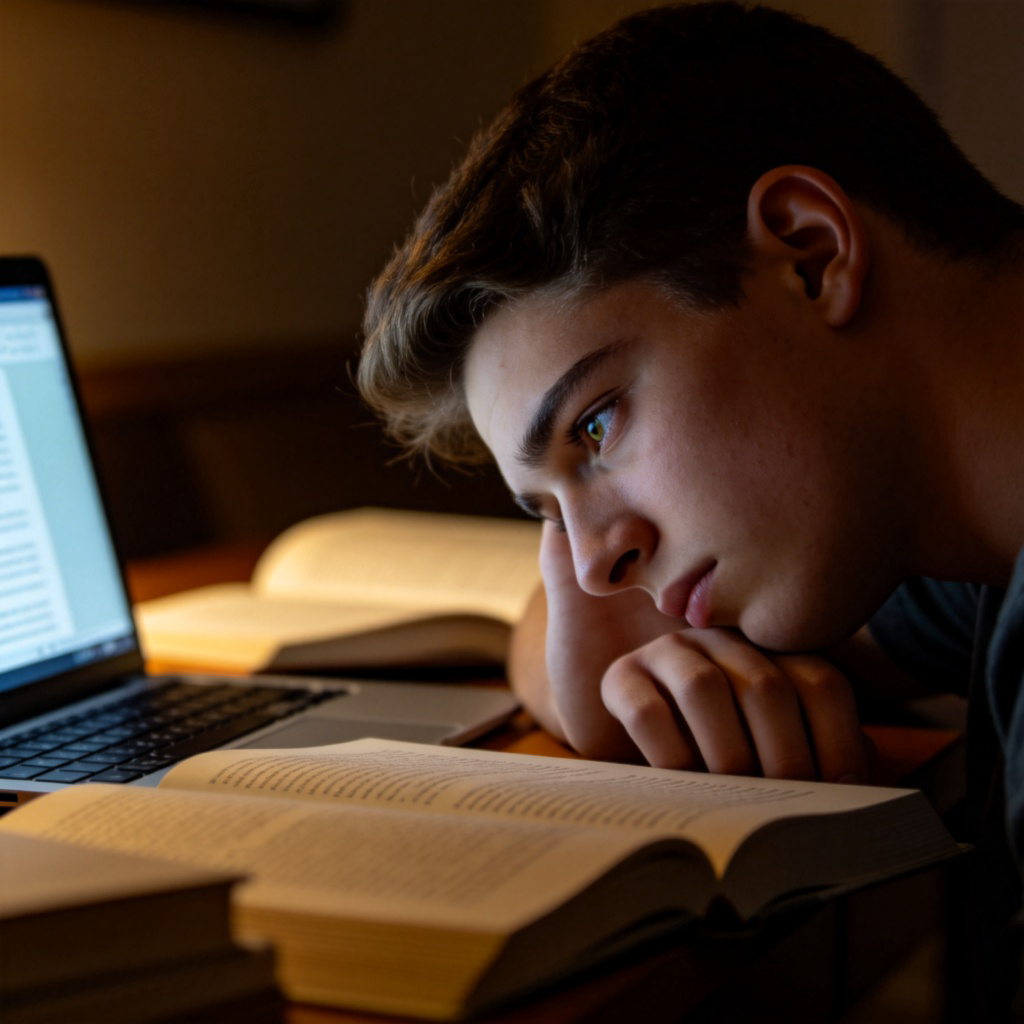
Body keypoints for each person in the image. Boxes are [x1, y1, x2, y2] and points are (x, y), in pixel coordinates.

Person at [358, 2, 1024, 1016]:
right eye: (544, 510)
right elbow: (565, 625)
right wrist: (591, 672)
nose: (591, 563)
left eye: (594, 426)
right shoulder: (960, 546)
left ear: (808, 253)